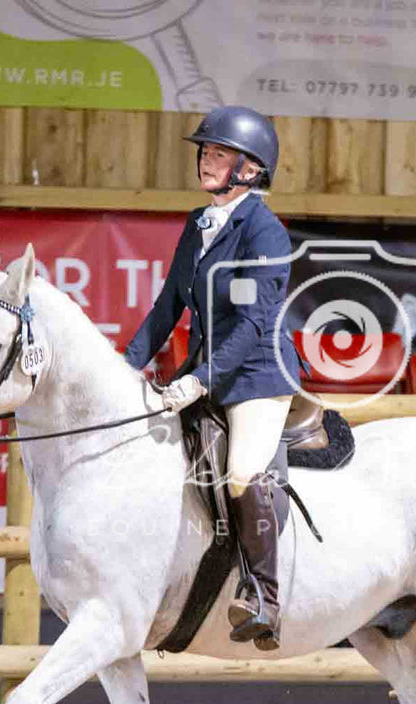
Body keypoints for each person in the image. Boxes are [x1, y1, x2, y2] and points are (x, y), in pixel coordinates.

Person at [123, 105, 301, 649]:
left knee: (243, 475)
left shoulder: (265, 233)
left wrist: (199, 380)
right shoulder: (198, 224)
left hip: (255, 377)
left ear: (249, 169)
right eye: (205, 151)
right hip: (204, 370)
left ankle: (265, 597)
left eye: (219, 153)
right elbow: (168, 304)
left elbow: (253, 323)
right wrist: (125, 365)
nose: (206, 159)